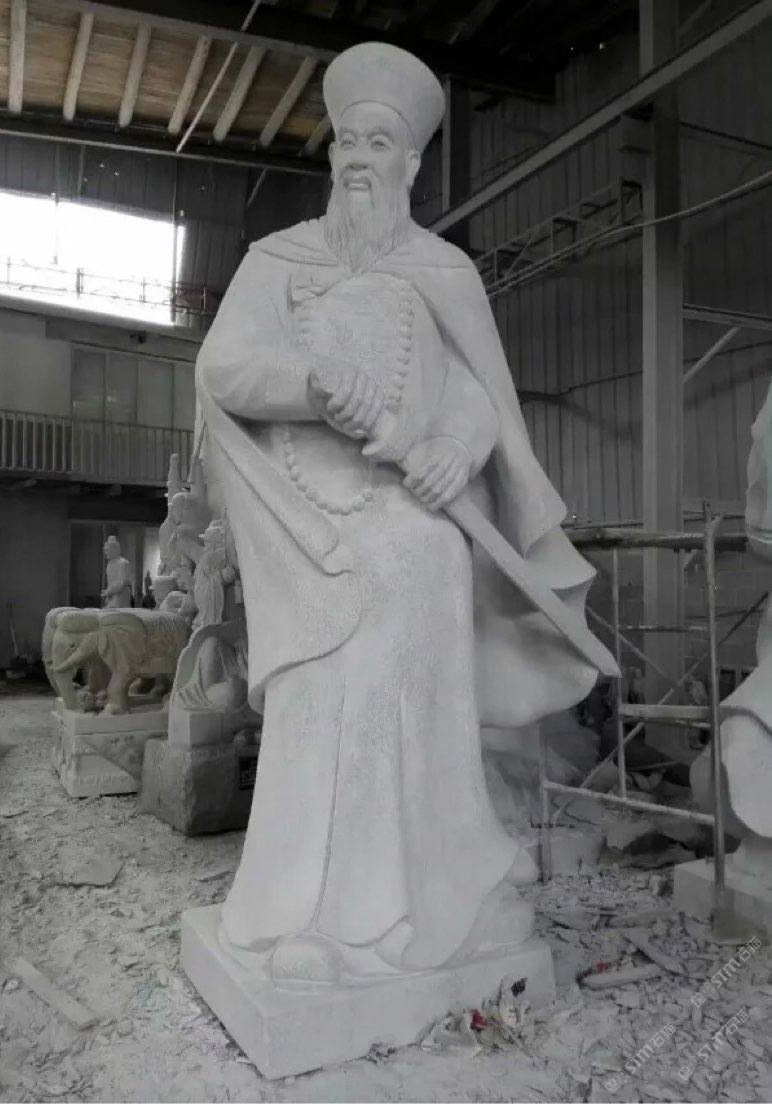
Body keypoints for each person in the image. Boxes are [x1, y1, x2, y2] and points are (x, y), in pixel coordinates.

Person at [196, 43, 600, 984]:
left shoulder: (443, 271)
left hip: (414, 522)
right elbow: (223, 369)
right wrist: (308, 382)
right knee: (322, 689)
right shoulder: (276, 262)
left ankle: (401, 903)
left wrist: (456, 445)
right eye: (347, 141)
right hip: (309, 526)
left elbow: (476, 394)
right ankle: (301, 911)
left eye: (380, 144)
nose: (359, 160)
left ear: (411, 163)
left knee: (420, 576)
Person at [101, 536, 132, 609]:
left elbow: (123, 582)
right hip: (112, 596)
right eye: (105, 550)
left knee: (118, 613)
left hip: (121, 596)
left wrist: (109, 591)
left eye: (108, 550)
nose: (106, 553)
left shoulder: (123, 563)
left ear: (115, 550)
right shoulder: (109, 564)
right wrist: (108, 593)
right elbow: (111, 582)